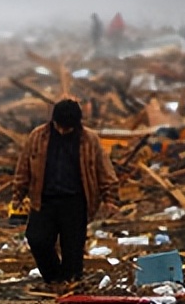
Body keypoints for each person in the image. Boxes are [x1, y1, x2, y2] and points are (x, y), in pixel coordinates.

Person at [11, 99, 119, 286]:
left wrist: (110, 198)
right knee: (37, 240)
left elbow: (104, 170)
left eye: (66, 129)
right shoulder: (38, 137)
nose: (62, 132)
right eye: (59, 127)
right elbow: (24, 167)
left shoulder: (89, 140)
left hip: (76, 201)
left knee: (73, 250)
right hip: (44, 200)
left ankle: (71, 286)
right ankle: (54, 278)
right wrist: (18, 195)